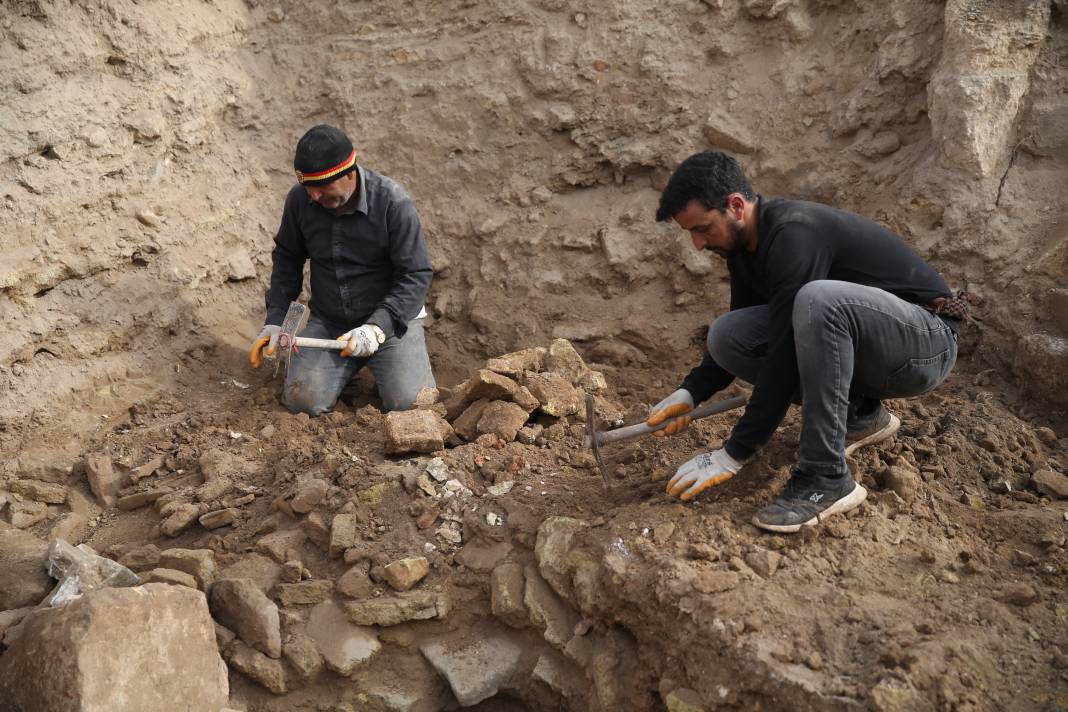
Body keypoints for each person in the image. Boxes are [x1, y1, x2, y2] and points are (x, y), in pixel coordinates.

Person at [647, 150, 965, 533]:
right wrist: (691, 392)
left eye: (702, 228)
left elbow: (783, 355)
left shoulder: (793, 234)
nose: (698, 244)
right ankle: (859, 416)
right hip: (879, 348)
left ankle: (826, 477)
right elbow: (757, 334)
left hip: (926, 342)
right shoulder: (744, 249)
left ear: (735, 206)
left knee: (818, 301)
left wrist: (734, 453)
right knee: (727, 335)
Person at [249, 124, 435, 415]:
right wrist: (275, 320)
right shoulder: (300, 201)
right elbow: (287, 258)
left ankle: (382, 361)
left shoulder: (392, 203)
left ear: (349, 173)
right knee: (302, 401)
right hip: (331, 323)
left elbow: (416, 274)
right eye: (309, 189)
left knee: (411, 405)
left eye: (323, 188)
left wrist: (375, 329)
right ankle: (343, 371)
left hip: (392, 322)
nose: (314, 197)